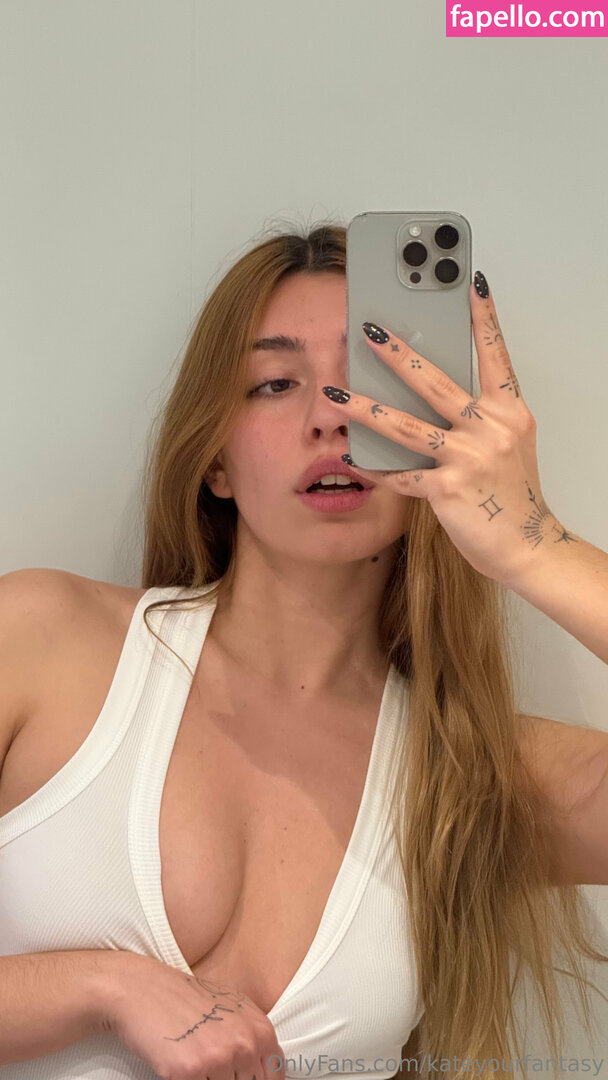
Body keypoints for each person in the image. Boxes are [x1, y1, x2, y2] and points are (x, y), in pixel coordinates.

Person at [0, 221, 607, 1080]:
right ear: (214, 460)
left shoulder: (471, 773)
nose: (332, 417)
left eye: (372, 386)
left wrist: (537, 545)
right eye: (276, 383)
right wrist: (99, 986)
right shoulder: (39, 641)